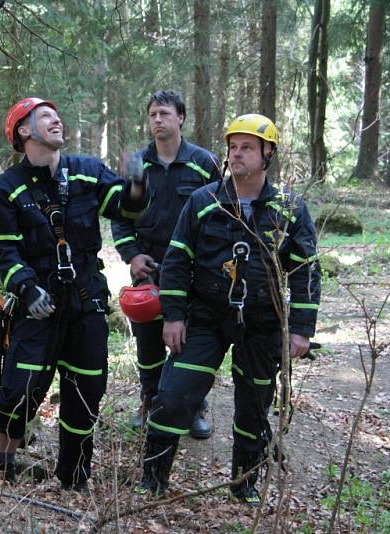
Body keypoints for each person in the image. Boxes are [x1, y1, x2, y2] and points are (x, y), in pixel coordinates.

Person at [140, 114, 320, 506]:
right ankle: (152, 479)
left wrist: (301, 328)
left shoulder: (289, 208)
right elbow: (177, 260)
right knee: (173, 395)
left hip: (262, 320)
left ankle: (245, 484)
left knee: (254, 406)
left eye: (247, 148)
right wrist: (173, 314)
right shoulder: (204, 201)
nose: (237, 154)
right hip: (205, 315)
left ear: (267, 154)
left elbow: (306, 270)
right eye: (233, 147)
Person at [0, 97, 149, 490]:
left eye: (56, 115)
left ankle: (74, 478)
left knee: (86, 389)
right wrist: (26, 287)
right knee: (19, 388)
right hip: (35, 306)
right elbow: (3, 249)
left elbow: (125, 207)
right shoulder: (5, 189)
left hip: (85, 301)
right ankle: (2, 460)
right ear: (24, 131)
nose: (56, 120)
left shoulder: (87, 172)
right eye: (44, 117)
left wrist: (139, 183)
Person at [112, 90, 221, 438]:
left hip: (193, 270)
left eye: (164, 113)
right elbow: (121, 215)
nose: (157, 120)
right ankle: (150, 402)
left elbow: (220, 216)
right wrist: (132, 255)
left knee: (190, 342)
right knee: (148, 342)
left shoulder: (205, 163)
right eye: (152, 114)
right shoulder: (135, 163)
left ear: (181, 118)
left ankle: (192, 408)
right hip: (149, 266)